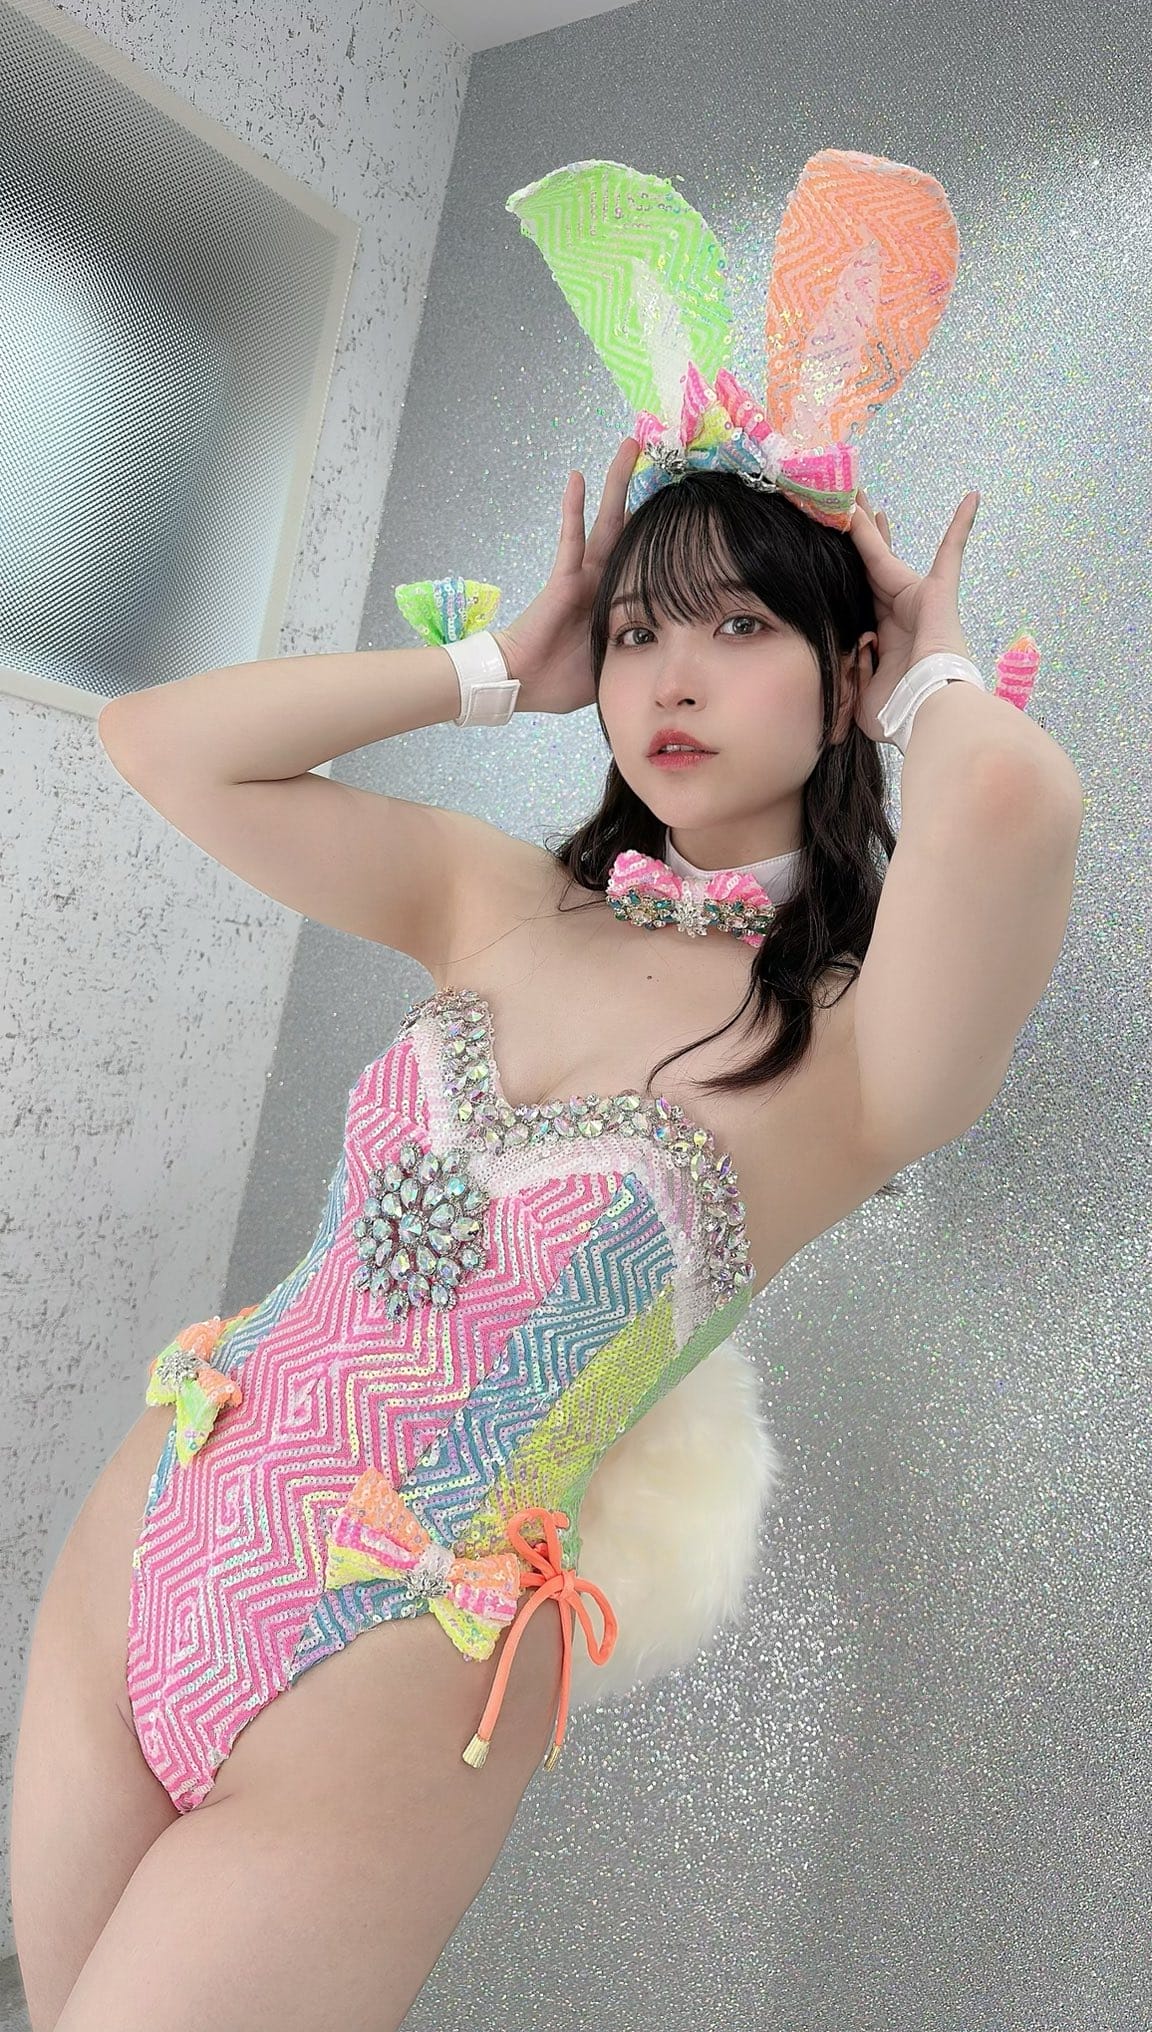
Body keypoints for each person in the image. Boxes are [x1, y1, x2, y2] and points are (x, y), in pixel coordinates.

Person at [10, 154, 1083, 2032]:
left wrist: (921, 670)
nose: (672, 675)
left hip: (391, 1682)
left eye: (739, 628)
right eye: (642, 631)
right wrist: (494, 668)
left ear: (844, 672)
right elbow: (161, 743)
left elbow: (1015, 803)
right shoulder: (500, 899)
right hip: (153, 1522)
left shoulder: (856, 1049)